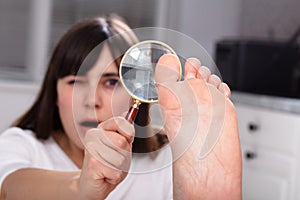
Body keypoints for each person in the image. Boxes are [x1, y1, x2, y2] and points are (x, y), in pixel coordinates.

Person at [0, 14, 242, 200]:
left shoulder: (165, 158)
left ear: (135, 92)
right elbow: (9, 188)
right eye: (75, 82)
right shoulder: (22, 145)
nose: (90, 100)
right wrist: (80, 187)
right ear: (53, 92)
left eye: (111, 82)